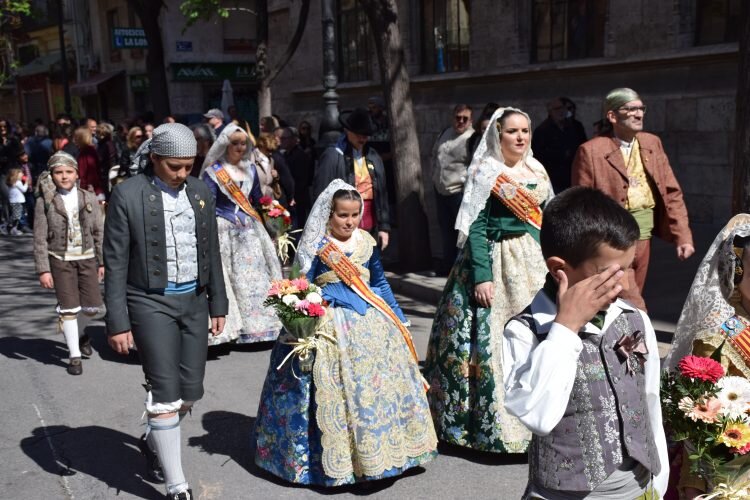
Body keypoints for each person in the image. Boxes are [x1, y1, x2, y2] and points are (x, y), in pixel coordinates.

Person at [254, 179, 438, 485]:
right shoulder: (318, 245)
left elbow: (378, 283)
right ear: (330, 215)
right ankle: (342, 461)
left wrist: (398, 317)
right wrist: (303, 316)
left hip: (372, 321)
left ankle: (388, 453)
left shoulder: (365, 242)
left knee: (377, 389)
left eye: (354, 215)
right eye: (343, 215)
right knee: (336, 390)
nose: (349, 221)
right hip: (331, 323)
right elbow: (303, 284)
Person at [503, 186, 668, 499]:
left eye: (629, 268)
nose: (624, 284)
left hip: (638, 487)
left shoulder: (632, 318)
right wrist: (565, 329)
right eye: (609, 273)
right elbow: (539, 415)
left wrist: (658, 479)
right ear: (559, 269)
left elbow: (649, 403)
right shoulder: (526, 332)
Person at [104, 123, 228, 500]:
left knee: (190, 393)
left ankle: (153, 439)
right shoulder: (127, 195)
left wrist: (218, 303)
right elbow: (116, 264)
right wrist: (118, 321)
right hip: (148, 302)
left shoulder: (201, 190)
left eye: (188, 165)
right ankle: (177, 486)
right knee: (164, 392)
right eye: (174, 166)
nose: (182, 173)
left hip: (193, 301)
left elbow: (211, 251)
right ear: (154, 159)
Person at [423, 107, 552, 453]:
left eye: (525, 130)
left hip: (532, 259)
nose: (521, 137)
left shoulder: (536, 168)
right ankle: (493, 426)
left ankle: (542, 418)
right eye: (512, 131)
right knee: (494, 340)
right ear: (498, 135)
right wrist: (482, 276)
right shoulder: (486, 172)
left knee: (539, 336)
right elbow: (477, 226)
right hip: (494, 259)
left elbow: (544, 216)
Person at [572, 87, 694, 310]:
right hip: (612, 239)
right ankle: (639, 334)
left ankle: (623, 339)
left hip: (644, 234)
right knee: (631, 299)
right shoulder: (591, 150)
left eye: (641, 109)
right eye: (630, 109)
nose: (639, 115)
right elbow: (582, 203)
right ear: (612, 116)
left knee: (631, 291)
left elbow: (671, 191)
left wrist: (682, 235)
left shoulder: (651, 143)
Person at [664, 214, 750, 499]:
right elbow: (699, 417)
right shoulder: (720, 334)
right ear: (736, 272)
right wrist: (694, 484)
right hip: (734, 466)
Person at [200, 124, 282, 345]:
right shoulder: (213, 172)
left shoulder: (251, 169)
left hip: (251, 230)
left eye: (243, 143)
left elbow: (256, 198)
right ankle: (238, 328)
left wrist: (271, 211)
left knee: (258, 276)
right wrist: (224, 217)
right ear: (225, 144)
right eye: (235, 143)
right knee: (232, 275)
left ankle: (265, 326)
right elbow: (208, 203)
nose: (239, 147)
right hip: (225, 228)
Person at [33, 151, 104, 375]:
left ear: (76, 173)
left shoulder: (88, 197)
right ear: (51, 175)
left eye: (68, 172)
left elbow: (98, 232)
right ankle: (74, 356)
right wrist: (43, 269)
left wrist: (102, 262)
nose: (64, 176)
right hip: (60, 260)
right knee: (69, 309)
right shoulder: (45, 201)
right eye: (59, 172)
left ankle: (81, 333)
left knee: (92, 307)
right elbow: (39, 238)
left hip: (87, 258)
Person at [313, 108, 391, 250]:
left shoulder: (373, 157)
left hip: (370, 221)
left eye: (366, 135)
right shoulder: (333, 156)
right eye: (358, 134)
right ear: (347, 131)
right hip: (341, 223)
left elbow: (382, 194)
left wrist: (384, 227)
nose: (362, 139)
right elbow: (321, 193)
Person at [431, 104, 474, 275]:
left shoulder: (472, 138)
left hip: (459, 192)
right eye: (458, 117)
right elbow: (435, 156)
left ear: (471, 121)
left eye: (465, 118)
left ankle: (459, 270)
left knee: (460, 234)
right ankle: (448, 266)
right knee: (446, 231)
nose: (460, 121)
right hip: (441, 191)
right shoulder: (445, 133)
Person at [531, 97, 587, 193]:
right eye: (557, 109)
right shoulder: (542, 130)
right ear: (550, 111)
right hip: (554, 178)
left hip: (574, 174)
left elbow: (584, 146)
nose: (561, 111)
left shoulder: (576, 126)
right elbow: (538, 156)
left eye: (563, 108)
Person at [278, 126, 313, 229]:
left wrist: (293, 196)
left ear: (294, 139)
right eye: (281, 138)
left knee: (298, 228)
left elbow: (301, 179)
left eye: (285, 138)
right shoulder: (285, 154)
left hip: (298, 199)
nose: (282, 141)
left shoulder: (300, 155)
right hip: (290, 199)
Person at [73, 127, 104, 200]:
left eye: (76, 137)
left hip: (90, 191)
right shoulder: (85, 150)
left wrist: (85, 187)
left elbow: (91, 172)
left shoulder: (87, 151)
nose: (74, 140)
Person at [6, 167, 30, 235]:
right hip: (18, 201)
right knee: (16, 216)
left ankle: (13, 229)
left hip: (13, 201)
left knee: (16, 216)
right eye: (21, 173)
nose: (22, 174)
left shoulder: (12, 182)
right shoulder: (18, 182)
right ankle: (8, 226)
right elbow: (24, 190)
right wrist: (26, 183)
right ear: (16, 174)